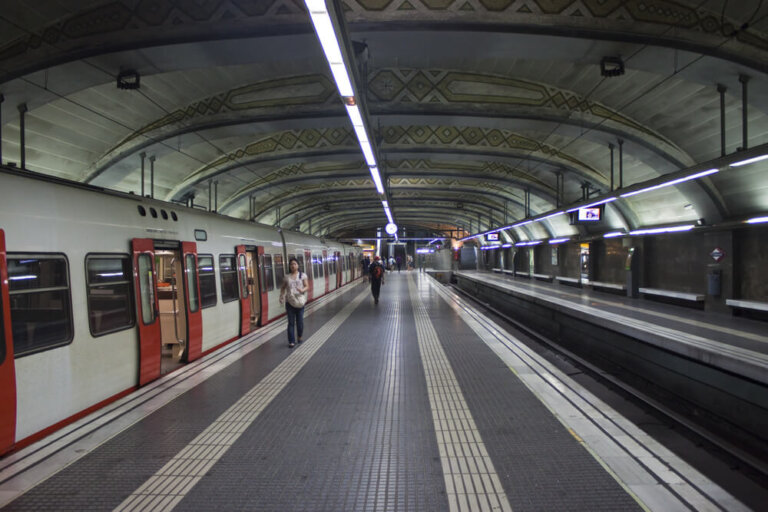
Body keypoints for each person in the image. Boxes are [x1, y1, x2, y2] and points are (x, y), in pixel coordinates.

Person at [279, 257, 309, 348]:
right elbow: (283, 287)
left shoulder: (303, 275)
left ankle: (299, 336)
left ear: (298, 265)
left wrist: (302, 290)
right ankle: (291, 341)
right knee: (291, 322)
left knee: (300, 322)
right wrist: (281, 296)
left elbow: (307, 286)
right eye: (291, 264)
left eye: (294, 264)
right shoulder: (286, 277)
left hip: (300, 302)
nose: (293, 265)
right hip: (289, 302)